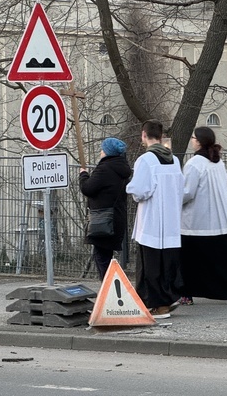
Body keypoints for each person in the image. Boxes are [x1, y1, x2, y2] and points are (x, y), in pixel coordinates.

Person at [179, 127, 227, 306]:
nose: (191, 140)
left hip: (198, 222)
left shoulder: (195, 163)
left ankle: (186, 292)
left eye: (193, 137)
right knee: (225, 259)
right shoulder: (217, 162)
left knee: (190, 260)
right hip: (221, 219)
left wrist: (173, 196)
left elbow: (187, 192)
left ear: (199, 141)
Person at [126, 119, 185, 318]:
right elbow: (180, 189)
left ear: (144, 135)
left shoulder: (146, 160)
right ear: (161, 137)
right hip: (170, 221)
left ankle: (156, 303)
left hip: (151, 221)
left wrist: (131, 190)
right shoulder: (174, 160)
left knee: (150, 265)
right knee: (167, 263)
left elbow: (141, 191)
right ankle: (168, 299)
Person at [79, 138, 132, 280]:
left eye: (103, 149)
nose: (101, 152)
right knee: (106, 256)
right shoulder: (122, 169)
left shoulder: (104, 168)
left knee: (102, 258)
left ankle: (108, 291)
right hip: (117, 218)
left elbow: (87, 188)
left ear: (108, 152)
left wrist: (83, 175)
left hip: (103, 220)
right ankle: (110, 289)